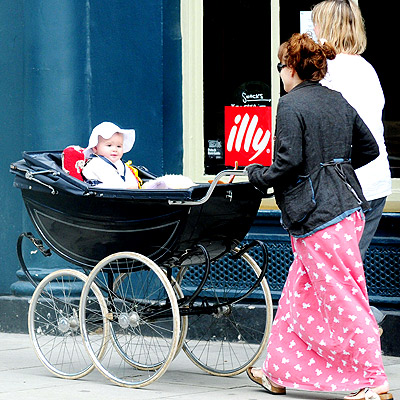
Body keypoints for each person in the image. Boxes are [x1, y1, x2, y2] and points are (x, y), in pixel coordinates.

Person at [245, 33, 392, 400]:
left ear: (292, 68)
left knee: (344, 297)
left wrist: (253, 175)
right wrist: (333, 169)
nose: (280, 73)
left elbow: (287, 163)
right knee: (297, 295)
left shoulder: (291, 105)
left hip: (318, 216)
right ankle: (275, 372)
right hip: (345, 207)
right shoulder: (337, 100)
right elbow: (369, 148)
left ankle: (376, 382)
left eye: (282, 66)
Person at [312, 0, 392, 261]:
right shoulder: (366, 68)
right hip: (375, 181)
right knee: (349, 272)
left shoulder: (325, 72)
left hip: (342, 190)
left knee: (334, 276)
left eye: (315, 22)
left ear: (323, 26)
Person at [82, 121, 141, 189]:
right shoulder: (96, 163)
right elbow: (111, 182)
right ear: (95, 148)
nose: (115, 149)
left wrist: (134, 187)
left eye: (119, 146)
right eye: (109, 145)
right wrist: (127, 188)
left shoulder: (120, 163)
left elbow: (131, 180)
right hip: (102, 196)